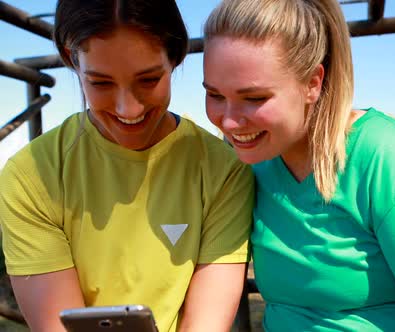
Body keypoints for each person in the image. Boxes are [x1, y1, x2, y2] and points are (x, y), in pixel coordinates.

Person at [202, 0, 395, 331]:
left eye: (254, 98)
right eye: (214, 95)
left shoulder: (389, 167)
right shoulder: (252, 163)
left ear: (313, 84)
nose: (228, 122)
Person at [0, 1, 254, 331]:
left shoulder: (224, 170)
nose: (127, 107)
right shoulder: (30, 177)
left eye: (148, 80)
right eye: (101, 83)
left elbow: (206, 323)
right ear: (71, 59)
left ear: (175, 56)